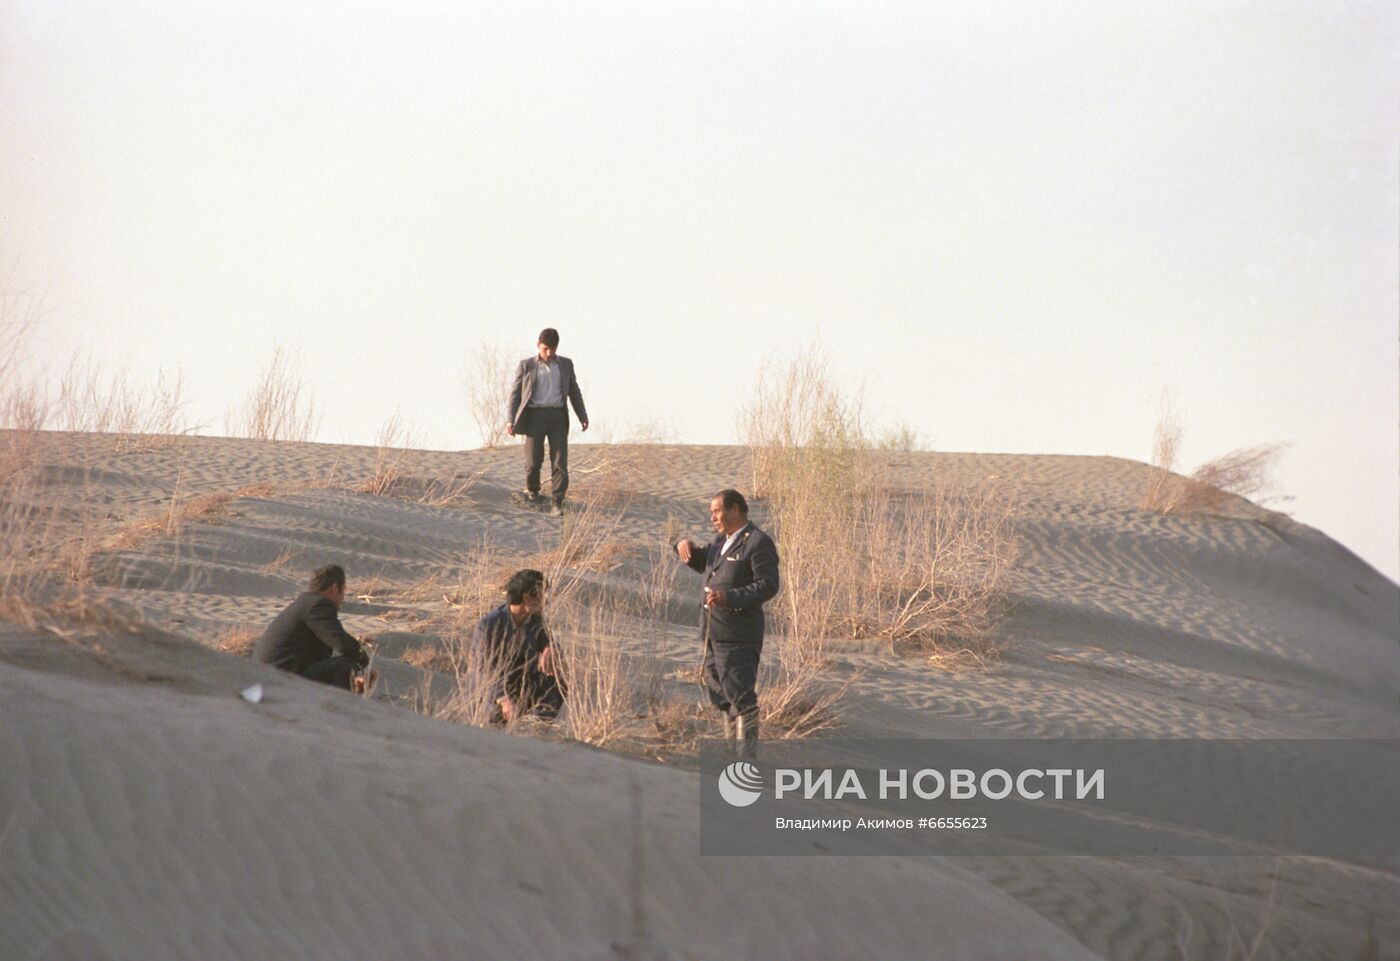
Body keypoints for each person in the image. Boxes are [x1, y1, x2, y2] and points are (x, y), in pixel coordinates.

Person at [675, 489, 780, 757]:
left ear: (734, 509)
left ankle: (745, 764)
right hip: (713, 632)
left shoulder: (757, 542)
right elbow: (704, 563)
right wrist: (682, 545)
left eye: (717, 511)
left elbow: (768, 585)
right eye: (711, 512)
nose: (713, 517)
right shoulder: (720, 540)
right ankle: (730, 757)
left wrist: (729, 597)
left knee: (742, 699)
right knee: (720, 696)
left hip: (738, 636)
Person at [254, 564, 376, 693]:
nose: (343, 599)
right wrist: (364, 661)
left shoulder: (305, 603)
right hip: (282, 679)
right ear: (334, 588)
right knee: (346, 665)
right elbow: (340, 642)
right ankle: (338, 704)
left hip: (269, 676)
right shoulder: (317, 605)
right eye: (343, 590)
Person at [505, 327, 588, 515]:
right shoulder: (526, 365)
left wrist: (582, 415)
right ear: (538, 345)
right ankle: (533, 491)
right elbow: (515, 394)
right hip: (534, 416)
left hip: (558, 416)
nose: (549, 353)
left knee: (559, 461)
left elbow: (574, 391)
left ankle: (557, 501)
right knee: (533, 460)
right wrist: (510, 420)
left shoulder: (565, 365)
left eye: (553, 349)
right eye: (545, 349)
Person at [473, 568, 565, 725]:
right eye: (542, 595)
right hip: (494, 689)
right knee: (493, 718)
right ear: (527, 597)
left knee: (559, 675)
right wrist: (503, 699)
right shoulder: (489, 625)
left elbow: (547, 640)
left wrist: (551, 647)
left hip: (521, 684)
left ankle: (537, 726)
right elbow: (483, 670)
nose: (546, 601)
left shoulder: (534, 619)